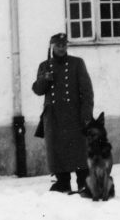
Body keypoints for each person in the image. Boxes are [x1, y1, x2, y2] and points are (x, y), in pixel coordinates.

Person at [32, 32, 94, 193]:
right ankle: (62, 182)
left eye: (64, 45)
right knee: (56, 149)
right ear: (52, 47)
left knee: (79, 148)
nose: (61, 48)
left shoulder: (77, 63)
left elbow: (87, 91)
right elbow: (38, 90)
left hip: (74, 113)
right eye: (58, 45)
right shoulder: (44, 66)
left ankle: (84, 181)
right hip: (53, 116)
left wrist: (86, 114)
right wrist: (45, 79)